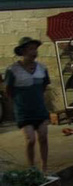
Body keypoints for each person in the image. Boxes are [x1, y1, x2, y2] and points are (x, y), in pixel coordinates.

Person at [4, 37, 51, 172]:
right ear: (23, 51)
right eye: (30, 49)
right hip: (23, 110)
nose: (34, 52)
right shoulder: (13, 70)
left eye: (35, 49)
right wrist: (19, 102)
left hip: (39, 109)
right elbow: (9, 90)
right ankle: (32, 168)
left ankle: (45, 167)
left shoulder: (42, 68)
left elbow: (43, 87)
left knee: (43, 137)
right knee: (30, 139)